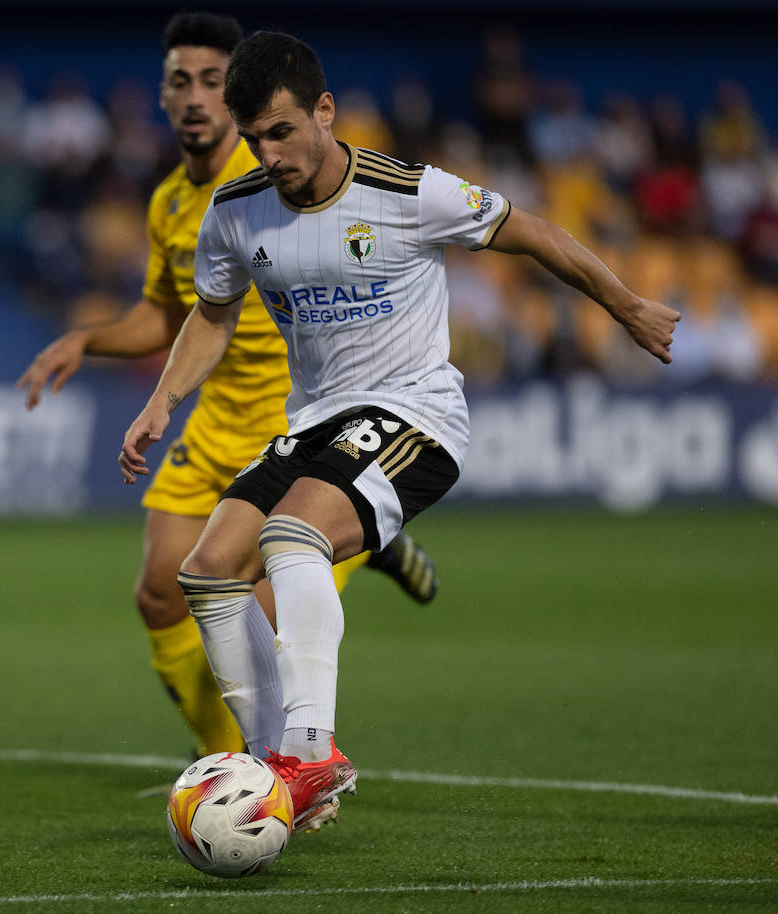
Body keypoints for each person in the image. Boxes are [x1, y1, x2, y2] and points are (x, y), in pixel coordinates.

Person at [118, 31, 679, 832]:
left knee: (290, 537)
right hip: (314, 423)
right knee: (207, 572)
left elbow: (534, 232)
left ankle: (310, 754)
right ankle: (275, 764)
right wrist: (162, 401)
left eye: (281, 131)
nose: (268, 153)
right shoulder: (236, 212)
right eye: (254, 138)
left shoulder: (409, 192)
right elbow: (212, 315)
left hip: (416, 413)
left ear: (324, 110)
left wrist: (626, 307)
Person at [18, 13, 439, 788]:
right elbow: (169, 313)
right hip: (216, 424)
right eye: (180, 81)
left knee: (263, 615)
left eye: (213, 82)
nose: (196, 98)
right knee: (159, 594)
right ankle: (234, 749)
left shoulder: (280, 177)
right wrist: (88, 338)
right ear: (164, 95)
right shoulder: (173, 204)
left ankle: (276, 765)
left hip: (297, 423)